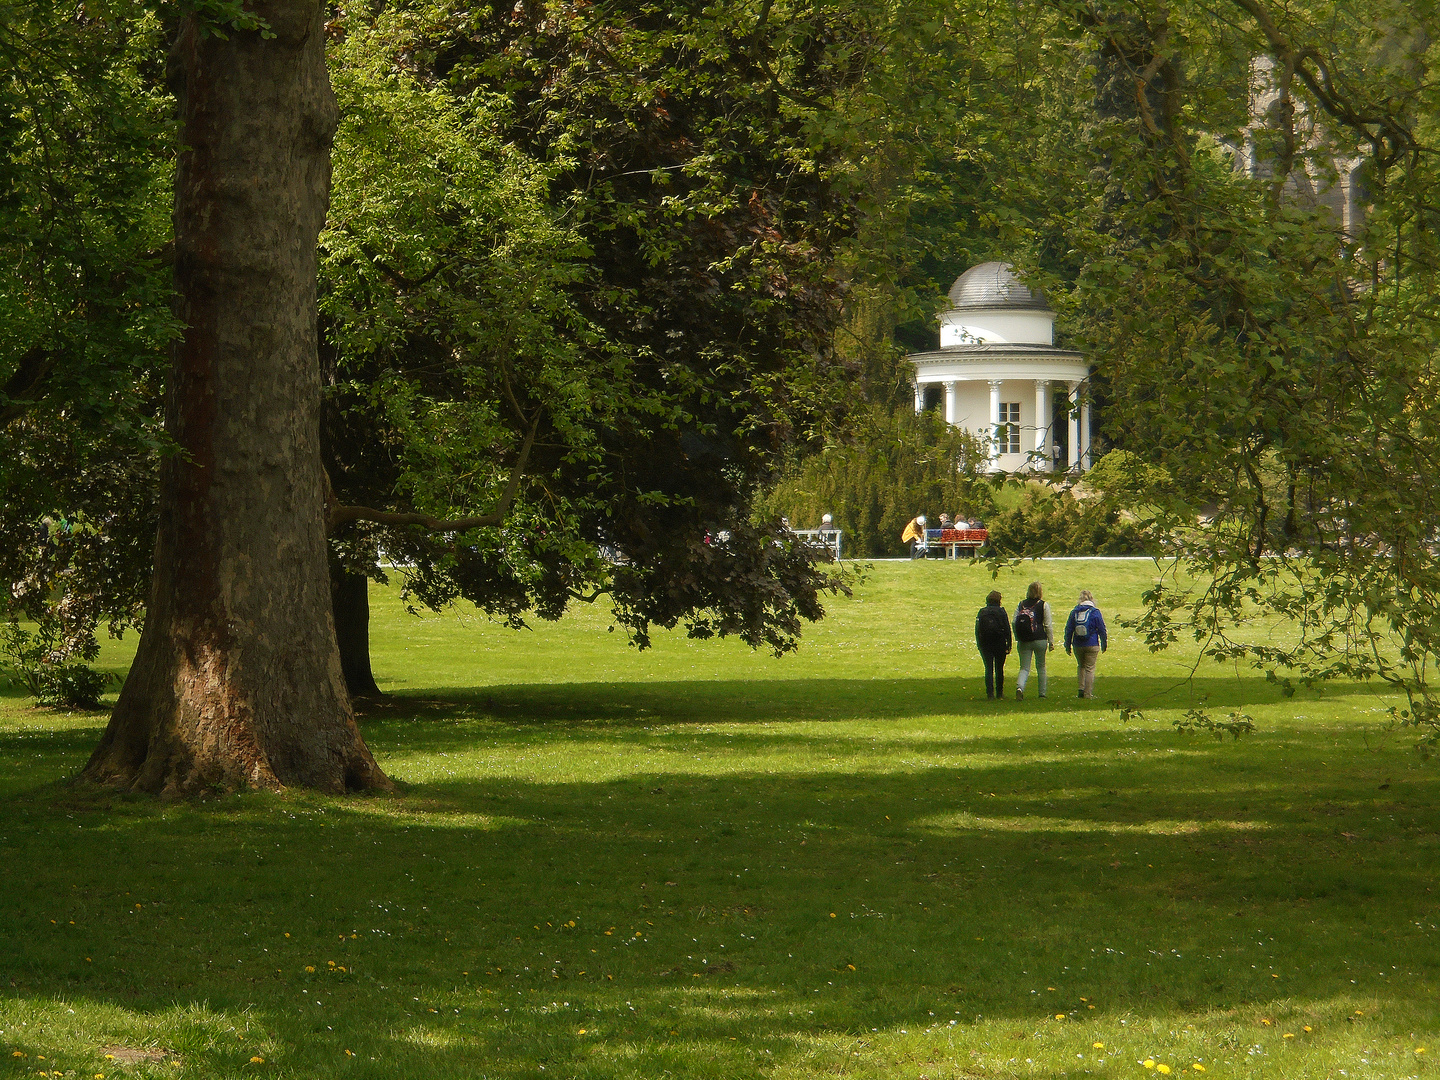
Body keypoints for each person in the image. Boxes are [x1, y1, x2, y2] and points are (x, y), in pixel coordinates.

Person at [1064, 589, 1108, 699]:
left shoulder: (1075, 612)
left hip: (1078, 644)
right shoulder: (1095, 612)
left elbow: (1069, 629)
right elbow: (1102, 628)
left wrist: (1067, 644)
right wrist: (1104, 643)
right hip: (1092, 644)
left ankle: (1080, 689)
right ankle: (1088, 693)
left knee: (1081, 666)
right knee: (1090, 668)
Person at [1012, 581, 1053, 700]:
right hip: (1040, 639)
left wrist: (1017, 636)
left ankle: (1020, 687)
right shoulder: (1043, 605)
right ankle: (1042, 693)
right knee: (1041, 667)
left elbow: (1014, 622)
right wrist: (1051, 641)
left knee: (1024, 667)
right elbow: (1048, 624)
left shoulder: (1021, 604)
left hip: (1024, 640)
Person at [974, 590, 1013, 700]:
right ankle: (1000, 693)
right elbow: (1007, 628)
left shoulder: (982, 612)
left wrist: (979, 643)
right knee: (999, 668)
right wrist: (1009, 643)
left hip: (985, 644)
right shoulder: (1001, 612)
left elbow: (978, 629)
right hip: (999, 642)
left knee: (988, 668)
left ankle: (990, 694)